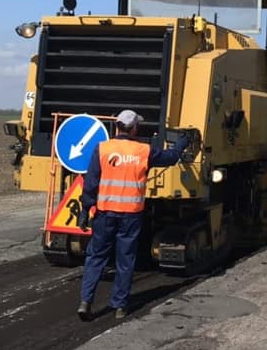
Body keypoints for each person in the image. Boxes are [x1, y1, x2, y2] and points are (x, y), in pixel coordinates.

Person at [76, 110, 198, 320]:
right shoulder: (144, 151)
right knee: (125, 259)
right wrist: (183, 142)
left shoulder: (102, 149)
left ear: (116, 127)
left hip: (105, 214)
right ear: (134, 129)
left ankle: (86, 302)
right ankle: (120, 306)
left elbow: (91, 183)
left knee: (96, 257)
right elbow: (170, 158)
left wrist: (86, 209)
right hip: (130, 216)